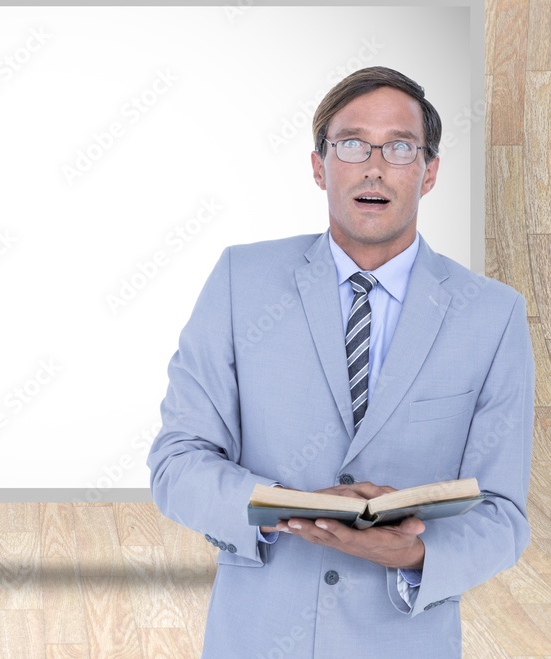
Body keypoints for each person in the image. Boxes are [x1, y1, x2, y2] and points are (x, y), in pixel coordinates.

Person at [147, 66, 535, 658]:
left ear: (429, 172)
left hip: (405, 640)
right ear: (319, 165)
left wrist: (414, 554)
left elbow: (503, 512)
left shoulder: (493, 315)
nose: (374, 166)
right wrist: (285, 507)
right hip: (256, 637)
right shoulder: (239, 281)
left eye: (400, 147)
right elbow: (178, 463)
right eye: (351, 144)